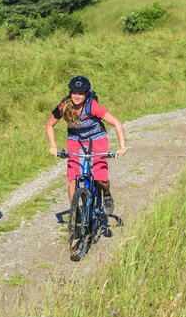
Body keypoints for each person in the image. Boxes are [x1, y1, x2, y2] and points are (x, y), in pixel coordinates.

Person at [45, 75, 126, 213]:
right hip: (75, 139)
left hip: (97, 138)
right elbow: (49, 124)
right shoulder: (64, 106)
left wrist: (122, 146)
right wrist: (53, 145)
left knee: (100, 178)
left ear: (86, 94)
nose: (77, 96)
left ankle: (106, 194)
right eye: (74, 93)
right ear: (70, 93)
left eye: (81, 94)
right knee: (73, 178)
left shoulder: (92, 106)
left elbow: (116, 123)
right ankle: (74, 214)